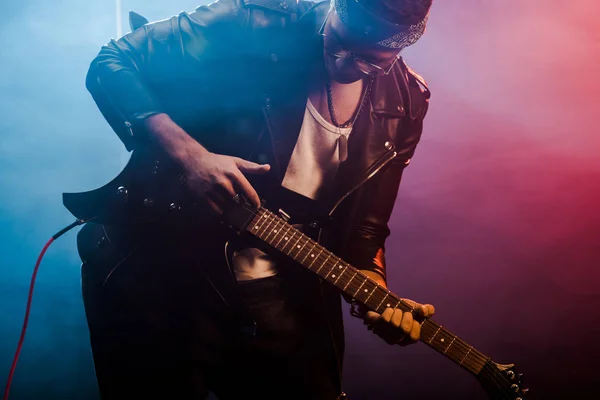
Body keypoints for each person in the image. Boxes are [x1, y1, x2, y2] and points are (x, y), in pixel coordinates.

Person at [77, 0, 435, 398]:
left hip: (281, 292)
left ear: (403, 47)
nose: (342, 62)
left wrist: (373, 288)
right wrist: (191, 156)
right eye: (335, 43)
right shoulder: (251, 21)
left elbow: (366, 228)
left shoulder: (404, 104)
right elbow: (112, 62)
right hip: (162, 268)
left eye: (368, 62)